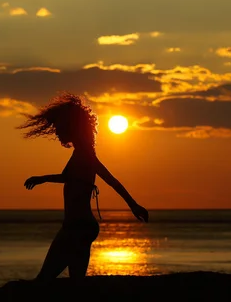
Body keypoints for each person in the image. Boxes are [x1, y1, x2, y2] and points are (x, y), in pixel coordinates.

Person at [18, 92, 149, 280]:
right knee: (76, 282)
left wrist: (133, 205)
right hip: (81, 226)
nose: (56, 132)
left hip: (76, 227)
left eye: (58, 127)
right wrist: (43, 179)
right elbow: (71, 177)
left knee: (44, 279)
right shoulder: (83, 152)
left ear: (70, 126)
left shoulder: (86, 154)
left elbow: (110, 180)